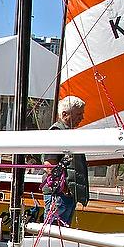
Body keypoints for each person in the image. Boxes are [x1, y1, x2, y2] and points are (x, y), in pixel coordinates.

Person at [43, 95, 89, 226]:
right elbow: (49, 165)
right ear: (65, 114)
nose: (82, 118)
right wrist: (62, 189)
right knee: (54, 233)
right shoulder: (57, 132)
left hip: (66, 195)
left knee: (61, 231)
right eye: (79, 114)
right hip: (59, 195)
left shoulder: (68, 133)